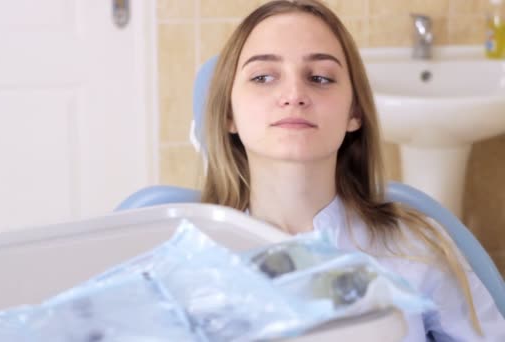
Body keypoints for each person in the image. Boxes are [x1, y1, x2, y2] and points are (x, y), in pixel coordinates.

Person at [199, 0, 505, 340]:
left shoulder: (413, 248)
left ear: (354, 112)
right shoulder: (195, 263)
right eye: (263, 77)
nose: (294, 94)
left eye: (319, 77)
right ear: (228, 113)